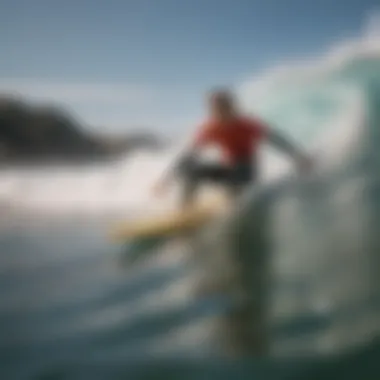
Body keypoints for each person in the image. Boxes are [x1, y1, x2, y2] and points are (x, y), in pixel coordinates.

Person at [153, 88, 313, 207]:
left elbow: (277, 140)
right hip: (228, 169)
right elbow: (188, 155)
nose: (219, 113)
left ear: (232, 107)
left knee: (237, 180)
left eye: (223, 108)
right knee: (190, 168)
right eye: (215, 110)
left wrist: (299, 157)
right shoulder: (211, 128)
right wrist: (165, 181)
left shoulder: (248, 125)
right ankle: (185, 209)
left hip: (246, 171)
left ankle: (235, 196)